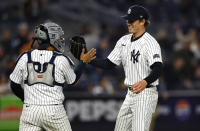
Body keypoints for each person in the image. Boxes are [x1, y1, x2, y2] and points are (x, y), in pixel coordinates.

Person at [9, 22, 96, 131]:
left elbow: (14, 84)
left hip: (30, 111)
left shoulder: (25, 57)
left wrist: (25, 98)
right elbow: (73, 80)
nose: (61, 39)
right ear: (52, 38)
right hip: (53, 111)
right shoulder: (61, 59)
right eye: (59, 37)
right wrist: (83, 62)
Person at [90, 5, 163, 131]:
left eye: (132, 20)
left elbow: (158, 68)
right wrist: (89, 60)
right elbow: (108, 63)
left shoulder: (150, 43)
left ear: (142, 21)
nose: (128, 23)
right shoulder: (124, 40)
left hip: (145, 93)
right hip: (130, 93)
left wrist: (145, 82)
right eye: (127, 20)